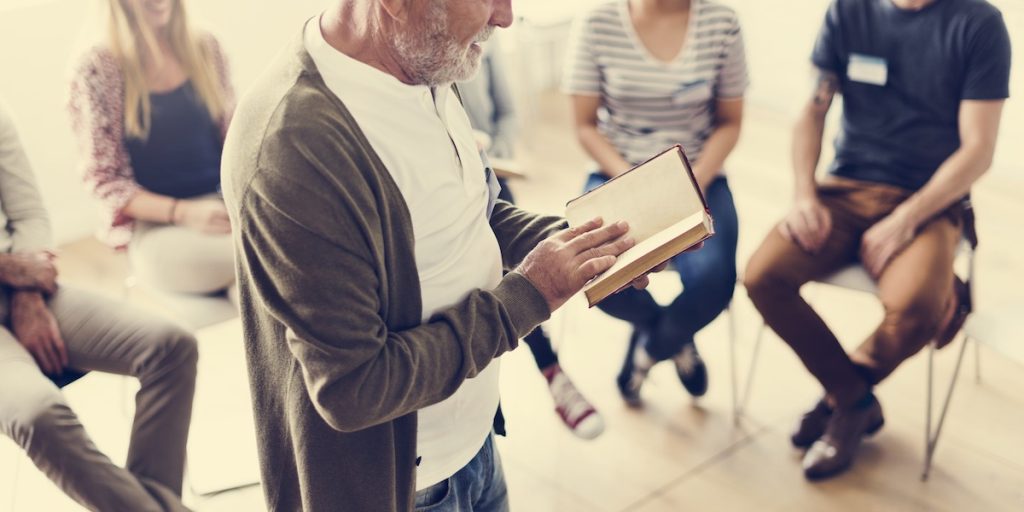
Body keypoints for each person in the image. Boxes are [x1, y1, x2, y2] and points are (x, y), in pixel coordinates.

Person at [221, 0, 683, 509]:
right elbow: (354, 388)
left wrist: (591, 247)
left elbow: (476, 213)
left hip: (476, 444)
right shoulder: (295, 149)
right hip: (406, 488)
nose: (505, 17)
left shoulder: (426, 63)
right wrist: (532, 294)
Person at [743, 0, 1010, 480]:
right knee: (763, 276)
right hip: (844, 189)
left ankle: (841, 402)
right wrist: (804, 194)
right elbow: (811, 109)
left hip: (930, 203)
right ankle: (852, 400)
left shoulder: (979, 23)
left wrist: (907, 217)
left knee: (915, 309)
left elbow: (979, 149)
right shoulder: (848, 11)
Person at [0, 102, 198, 511]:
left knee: (171, 347)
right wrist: (10, 269)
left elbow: (29, 214)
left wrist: (27, 294)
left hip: (20, 284)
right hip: (13, 271)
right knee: (39, 413)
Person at [563, 0, 747, 406]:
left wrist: (688, 182)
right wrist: (637, 183)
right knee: (600, 277)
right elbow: (584, 125)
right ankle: (672, 338)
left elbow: (730, 122)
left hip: (701, 175)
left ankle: (648, 351)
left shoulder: (722, 22)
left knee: (715, 279)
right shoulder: (597, 23)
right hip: (618, 173)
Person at [459, 39, 604, 439]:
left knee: (514, 275)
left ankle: (551, 372)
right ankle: (551, 372)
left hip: (491, 180)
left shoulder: (484, 45)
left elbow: (507, 116)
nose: (503, 17)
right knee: (501, 287)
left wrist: (489, 151)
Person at [68, 0, 236, 296]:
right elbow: (104, 180)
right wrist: (184, 212)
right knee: (262, 255)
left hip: (225, 206)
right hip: (158, 227)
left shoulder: (207, 47)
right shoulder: (97, 68)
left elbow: (236, 140)